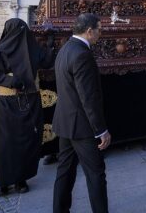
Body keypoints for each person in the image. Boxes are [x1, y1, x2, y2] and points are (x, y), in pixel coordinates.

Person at [0, 18, 54, 196]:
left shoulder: (33, 49)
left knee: (28, 140)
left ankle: (21, 179)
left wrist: (50, 41)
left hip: (31, 100)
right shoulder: (0, 52)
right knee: (6, 142)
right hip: (9, 102)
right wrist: (10, 80)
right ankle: (4, 181)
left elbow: (47, 62)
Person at [52, 13, 111, 213]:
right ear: (89, 31)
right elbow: (88, 97)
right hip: (82, 126)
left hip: (65, 122)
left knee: (65, 171)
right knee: (96, 174)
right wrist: (101, 130)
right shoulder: (82, 54)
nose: (101, 33)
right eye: (99, 29)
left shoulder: (65, 49)